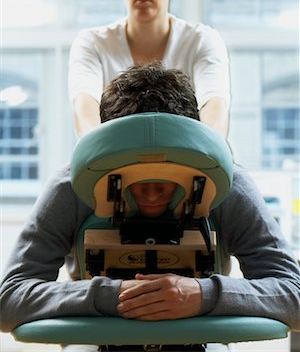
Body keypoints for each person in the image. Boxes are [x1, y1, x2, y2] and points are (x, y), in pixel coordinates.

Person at [0, 63, 299, 352]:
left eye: (166, 176)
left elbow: (293, 295)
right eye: (137, 176)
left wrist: (203, 295)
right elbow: (9, 300)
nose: (153, 193)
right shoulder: (72, 187)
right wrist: (112, 295)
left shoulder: (227, 185)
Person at [68, 0, 230, 139]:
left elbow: (215, 107)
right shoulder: (92, 43)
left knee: (239, 174)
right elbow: (84, 108)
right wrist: (98, 156)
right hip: (111, 157)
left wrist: (205, 157)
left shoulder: (202, 41)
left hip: (190, 157)